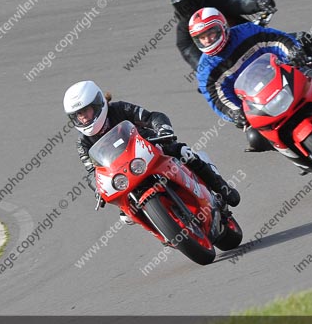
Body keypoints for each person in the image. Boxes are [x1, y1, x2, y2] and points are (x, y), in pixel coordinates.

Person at [63, 81, 240, 224]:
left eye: (85, 111)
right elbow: (92, 172)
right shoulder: (83, 142)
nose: (83, 117)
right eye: (78, 115)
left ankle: (221, 188)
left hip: (149, 148)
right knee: (127, 216)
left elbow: (152, 117)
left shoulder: (119, 109)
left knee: (184, 152)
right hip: (122, 173)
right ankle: (163, 229)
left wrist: (163, 130)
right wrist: (98, 189)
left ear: (98, 104)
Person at [190, 7, 312, 152]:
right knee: (255, 139)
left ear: (222, 27)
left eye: (211, 33)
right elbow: (216, 98)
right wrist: (234, 112)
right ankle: (299, 152)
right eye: (202, 37)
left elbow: (277, 39)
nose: (208, 40)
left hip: (284, 77)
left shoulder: (246, 31)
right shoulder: (206, 70)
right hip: (256, 102)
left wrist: (294, 53)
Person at [171, 0, 284, 70]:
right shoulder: (183, 31)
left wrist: (259, 3)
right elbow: (192, 56)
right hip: (229, 65)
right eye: (183, 7)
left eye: (192, 3)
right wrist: (207, 71)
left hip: (252, 41)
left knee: (289, 41)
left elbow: (238, 2)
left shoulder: (216, 1)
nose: (189, 9)